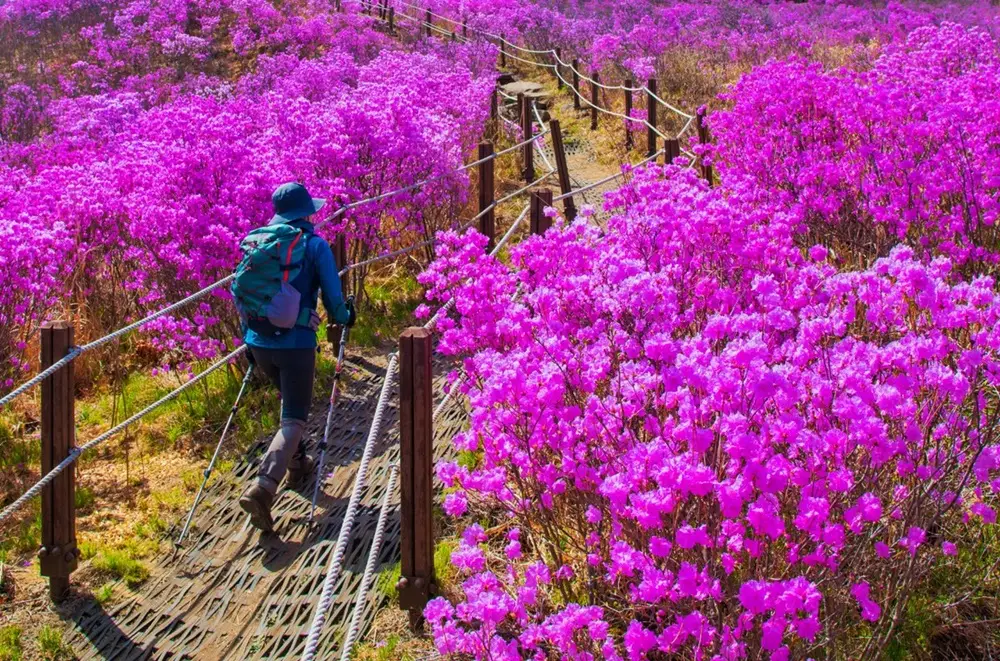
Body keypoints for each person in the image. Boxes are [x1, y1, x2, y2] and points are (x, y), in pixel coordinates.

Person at [238, 182, 356, 533]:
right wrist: (346, 316)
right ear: (307, 212)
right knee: (294, 420)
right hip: (296, 345)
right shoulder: (316, 246)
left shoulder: (259, 242)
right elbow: (335, 301)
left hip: (258, 344)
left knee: (289, 402)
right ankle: (263, 487)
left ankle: (298, 463)